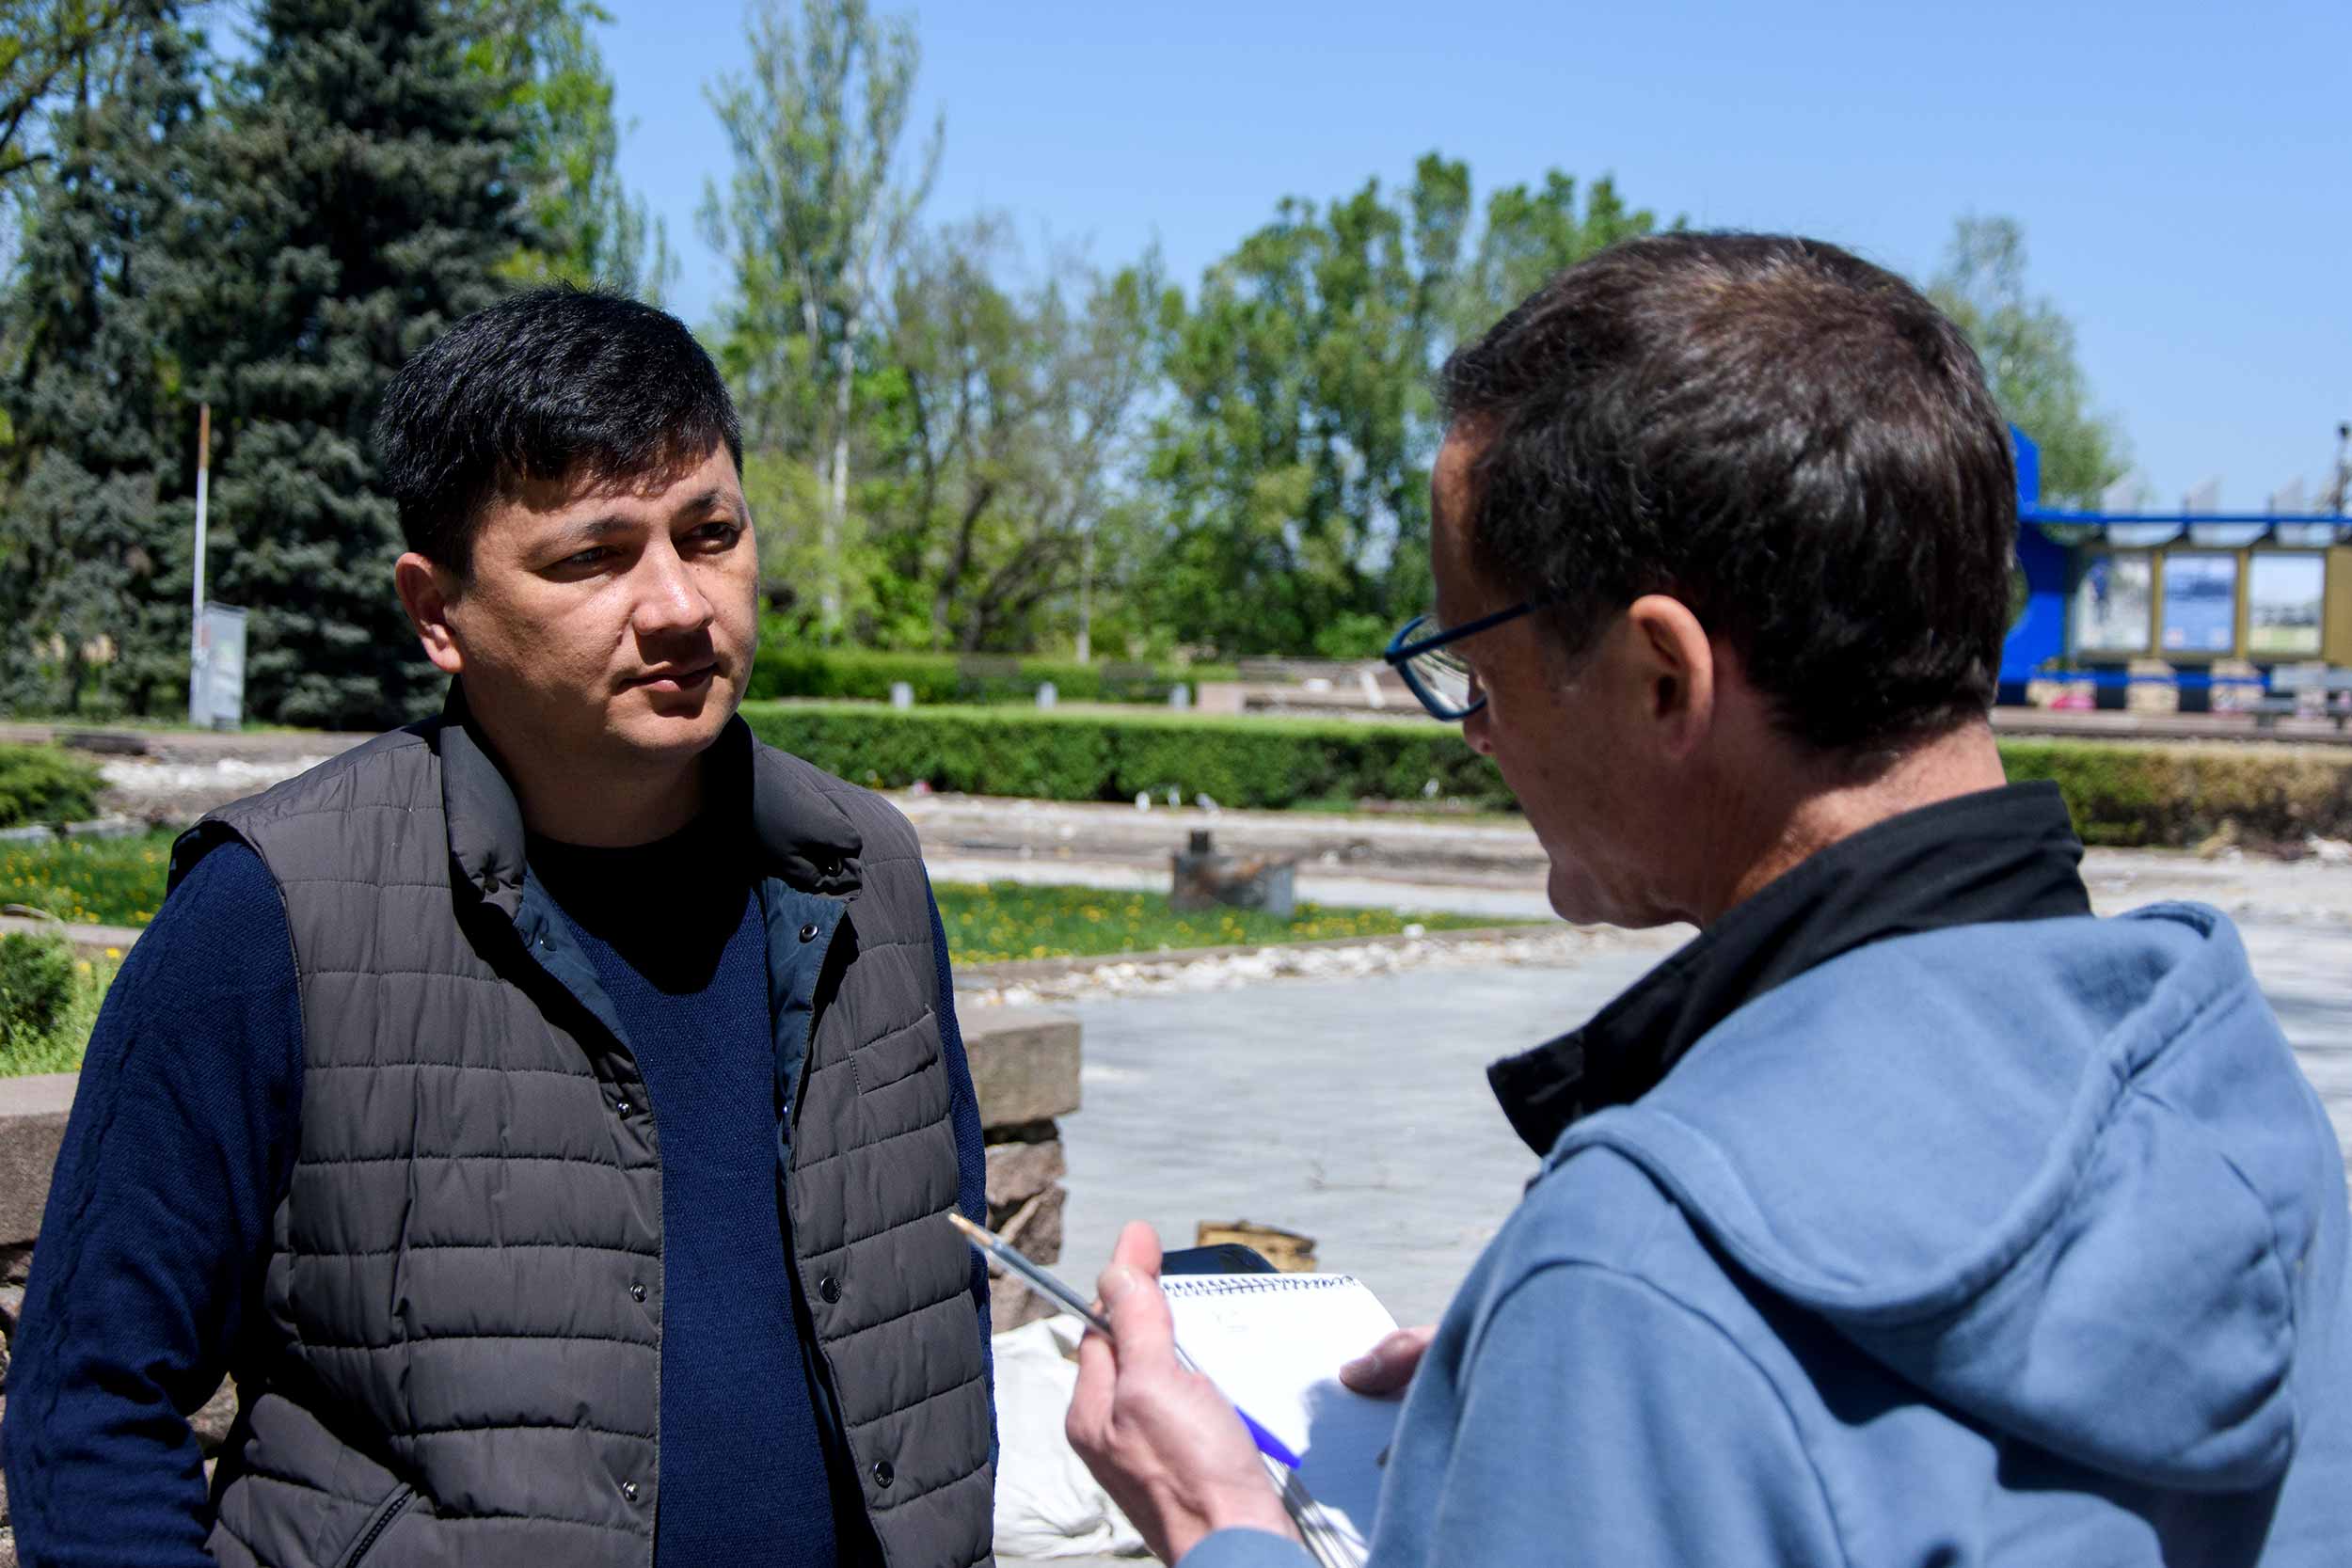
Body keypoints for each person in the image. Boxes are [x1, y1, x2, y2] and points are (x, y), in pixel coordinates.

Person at [1065, 234, 2352, 1566]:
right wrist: (1563, 1404)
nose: (1476, 734)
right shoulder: (2235, 1098)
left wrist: (1222, 1523)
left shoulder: (1643, 1272)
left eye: (1471, 664)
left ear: (1662, 678)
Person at [2, 290, 997, 1567]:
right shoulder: (269, 917)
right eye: (594, 557)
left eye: (712, 533)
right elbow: (90, 1407)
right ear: (438, 612)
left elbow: (932, 1331)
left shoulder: (870, 882)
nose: (681, 605)